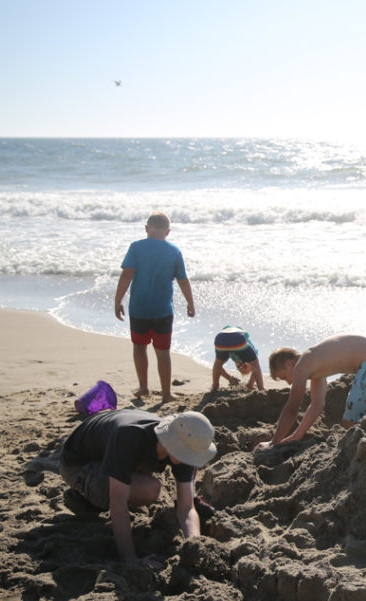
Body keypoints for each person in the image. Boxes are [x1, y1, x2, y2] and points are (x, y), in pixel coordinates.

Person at [57, 409, 218, 567]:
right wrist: (130, 559)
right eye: (191, 455)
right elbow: (118, 501)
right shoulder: (129, 436)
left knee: (139, 485)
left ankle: (92, 495)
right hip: (77, 463)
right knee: (149, 489)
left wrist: (195, 545)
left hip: (109, 452)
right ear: (175, 445)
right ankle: (86, 498)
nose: (194, 460)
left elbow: (186, 508)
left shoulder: (183, 443)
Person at [257, 334, 366, 448]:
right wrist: (296, 436)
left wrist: (273, 443)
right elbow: (316, 405)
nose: (289, 382)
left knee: (350, 421)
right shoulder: (316, 365)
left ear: (289, 364)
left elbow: (292, 408)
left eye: (284, 377)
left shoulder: (301, 366)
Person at [114, 211, 196, 402]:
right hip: (163, 311)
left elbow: (126, 275)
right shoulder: (174, 251)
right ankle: (166, 393)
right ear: (168, 232)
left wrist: (118, 300)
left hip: (139, 310)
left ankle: (143, 387)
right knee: (163, 352)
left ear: (146, 229)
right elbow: (183, 281)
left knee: (139, 347)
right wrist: (190, 303)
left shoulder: (136, 247)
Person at [211, 325, 265, 392]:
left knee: (218, 363)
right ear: (250, 365)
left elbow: (218, 368)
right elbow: (256, 367)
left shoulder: (231, 351)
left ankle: (215, 386)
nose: (241, 366)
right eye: (245, 365)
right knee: (255, 362)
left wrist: (230, 378)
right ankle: (261, 389)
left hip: (221, 338)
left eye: (239, 367)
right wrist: (250, 384)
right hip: (237, 338)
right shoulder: (248, 345)